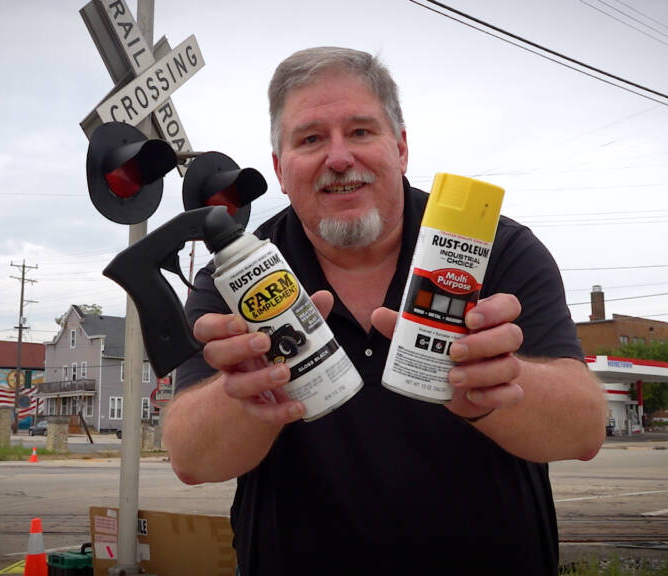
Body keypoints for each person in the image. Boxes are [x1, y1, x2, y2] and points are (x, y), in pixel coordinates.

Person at [164, 47, 606, 575]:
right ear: (281, 170)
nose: (339, 158)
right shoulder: (236, 276)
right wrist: (251, 389)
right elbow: (191, 460)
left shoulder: (495, 248)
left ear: (400, 148)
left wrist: (492, 387)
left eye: (360, 132)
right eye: (310, 139)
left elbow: (583, 432)